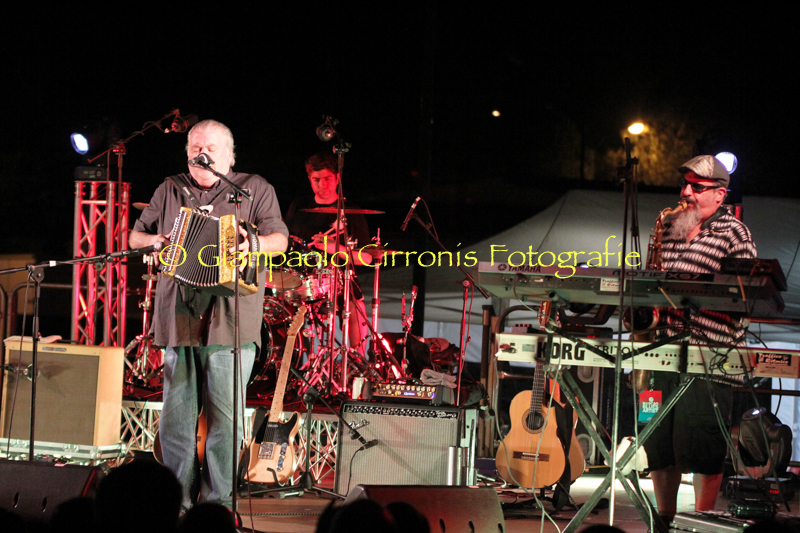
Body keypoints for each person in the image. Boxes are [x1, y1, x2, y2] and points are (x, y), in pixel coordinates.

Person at [129, 119, 289, 509]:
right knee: (176, 421)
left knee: (226, 421)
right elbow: (134, 236)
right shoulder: (171, 188)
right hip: (178, 315)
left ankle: (218, 508)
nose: (201, 154)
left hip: (231, 319)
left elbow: (280, 240)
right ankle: (178, 506)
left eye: (210, 148)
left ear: (229, 156)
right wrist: (155, 241)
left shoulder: (254, 188)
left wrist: (253, 243)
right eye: (194, 147)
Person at [643, 155, 756, 521]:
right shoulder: (667, 227)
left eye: (697, 187)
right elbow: (650, 284)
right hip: (660, 353)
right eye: (685, 185)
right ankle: (663, 521)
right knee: (658, 445)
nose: (686, 192)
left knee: (703, 448)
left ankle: (701, 524)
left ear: (720, 194)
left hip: (710, 357)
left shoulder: (735, 234)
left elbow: (746, 296)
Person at [284, 152, 372, 355]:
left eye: (327, 179)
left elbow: (366, 258)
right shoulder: (299, 207)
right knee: (280, 309)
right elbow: (285, 244)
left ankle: (356, 363)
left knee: (355, 309)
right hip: (301, 281)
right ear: (309, 179)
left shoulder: (351, 212)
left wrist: (335, 248)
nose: (322, 185)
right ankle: (288, 361)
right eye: (316, 180)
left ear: (337, 178)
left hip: (339, 283)